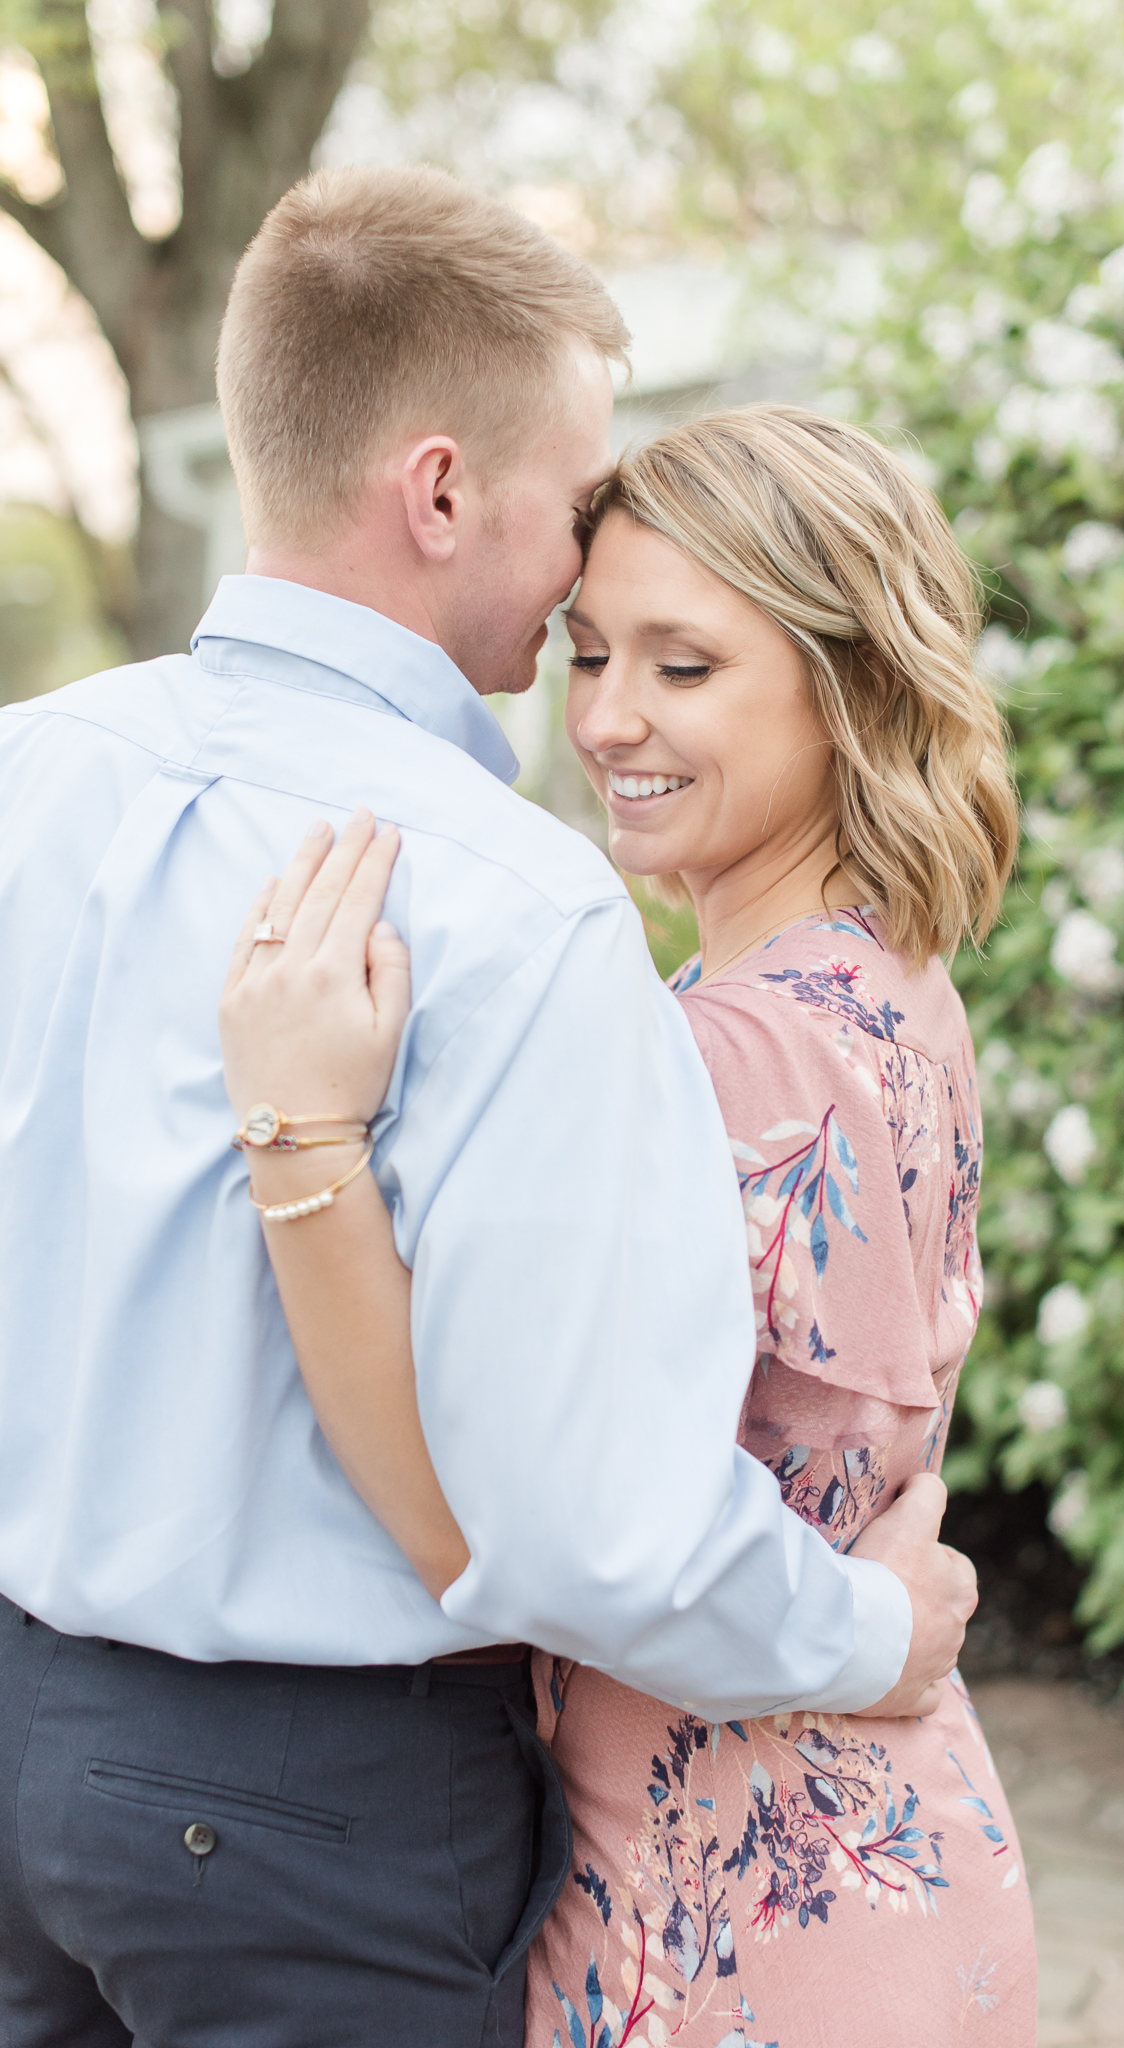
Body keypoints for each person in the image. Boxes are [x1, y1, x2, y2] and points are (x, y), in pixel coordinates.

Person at [0, 170, 974, 2046]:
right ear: (443, 491)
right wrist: (875, 1634)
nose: (580, 565)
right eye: (574, 492)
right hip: (315, 1810)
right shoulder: (513, 908)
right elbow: (580, 1522)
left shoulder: (28, 780)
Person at [217, 405, 1036, 2044]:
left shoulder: (723, 1054)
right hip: (848, 1834)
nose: (602, 718)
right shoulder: (880, 982)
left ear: (848, 682)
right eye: (589, 654)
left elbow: (482, 1512)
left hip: (741, 1905)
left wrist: (302, 1133)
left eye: (682, 667)